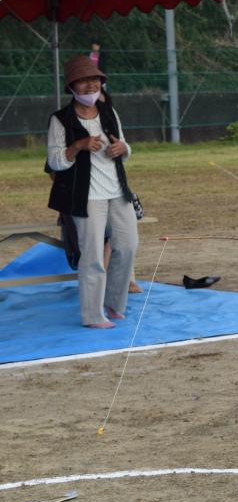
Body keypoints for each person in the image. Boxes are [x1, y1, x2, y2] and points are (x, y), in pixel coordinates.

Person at [46, 55, 139, 329]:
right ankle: (92, 315)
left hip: (117, 191)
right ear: (72, 87)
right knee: (93, 257)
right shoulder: (60, 120)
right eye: (83, 82)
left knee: (128, 246)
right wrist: (79, 146)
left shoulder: (109, 112)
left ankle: (113, 303)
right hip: (85, 198)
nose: (90, 86)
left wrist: (123, 149)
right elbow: (53, 161)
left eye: (95, 80)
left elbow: (124, 146)